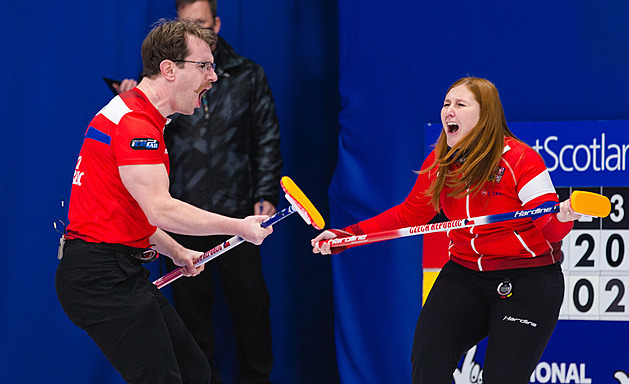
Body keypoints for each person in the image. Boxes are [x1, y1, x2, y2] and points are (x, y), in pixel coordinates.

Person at [312, 77, 583, 383]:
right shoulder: (441, 164)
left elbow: (550, 228)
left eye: (460, 104)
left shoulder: (520, 160)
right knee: (428, 361)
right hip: (465, 275)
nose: (448, 111)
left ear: (485, 115)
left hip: (527, 279)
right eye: (446, 104)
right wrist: (346, 236)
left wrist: (566, 214)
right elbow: (410, 214)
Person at [55, 19, 273, 384]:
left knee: (194, 374)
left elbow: (128, 209)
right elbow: (161, 209)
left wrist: (175, 251)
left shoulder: (131, 113)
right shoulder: (136, 127)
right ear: (169, 69)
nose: (214, 77)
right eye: (204, 66)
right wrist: (239, 227)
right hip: (100, 277)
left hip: (114, 269)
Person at [117, 2, 282, 383]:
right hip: (179, 213)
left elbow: (266, 139)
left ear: (217, 24)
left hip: (236, 208)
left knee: (252, 309)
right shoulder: (150, 102)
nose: (208, 79)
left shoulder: (248, 75)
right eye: (187, 25)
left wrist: (264, 194)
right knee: (189, 320)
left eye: (203, 25)